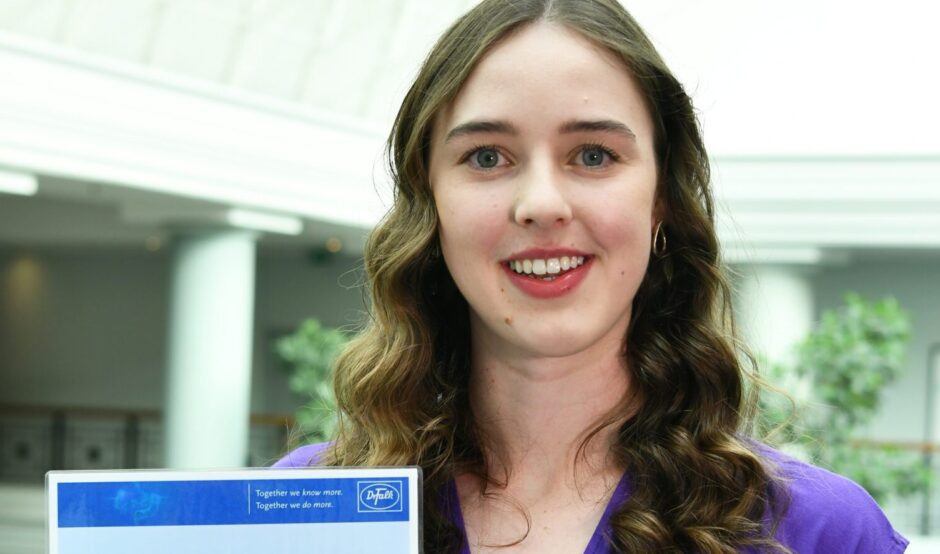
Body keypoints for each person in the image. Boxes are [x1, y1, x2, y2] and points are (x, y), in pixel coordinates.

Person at [276, 0, 908, 552]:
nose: (541, 203)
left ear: (661, 200)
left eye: (594, 155)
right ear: (430, 202)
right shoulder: (302, 514)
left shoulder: (818, 531)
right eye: (487, 156)